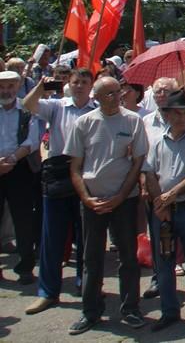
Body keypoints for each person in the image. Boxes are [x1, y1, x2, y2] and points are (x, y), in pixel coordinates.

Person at [64, 76, 149, 334]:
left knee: (128, 257)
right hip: (93, 201)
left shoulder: (132, 121)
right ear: (97, 97)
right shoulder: (84, 123)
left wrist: (121, 195)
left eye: (118, 91)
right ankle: (90, 312)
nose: (116, 96)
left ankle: (131, 308)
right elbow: (75, 167)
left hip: (124, 200)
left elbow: (138, 162)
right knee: (91, 257)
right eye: (109, 93)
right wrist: (86, 198)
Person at [23, 67, 95, 314]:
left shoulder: (97, 109)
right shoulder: (56, 106)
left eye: (84, 82)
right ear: (69, 84)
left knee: (85, 236)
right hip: (57, 173)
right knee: (52, 237)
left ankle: (85, 284)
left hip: (86, 174)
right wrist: (40, 87)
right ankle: (48, 292)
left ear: (91, 85)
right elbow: (27, 104)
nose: (79, 86)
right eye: (75, 81)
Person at [142, 90, 185, 332]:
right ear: (167, 115)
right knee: (164, 263)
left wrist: (171, 194)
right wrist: (160, 203)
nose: (182, 118)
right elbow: (149, 173)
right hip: (162, 210)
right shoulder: (157, 141)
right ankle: (169, 311)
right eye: (177, 113)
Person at [0, 69, 41, 286]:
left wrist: (12, 160)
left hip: (19, 170)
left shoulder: (26, 110)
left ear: (17, 87)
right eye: (2, 87)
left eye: (10, 86)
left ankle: (25, 267)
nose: (6, 91)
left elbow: (31, 142)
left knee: (23, 220)